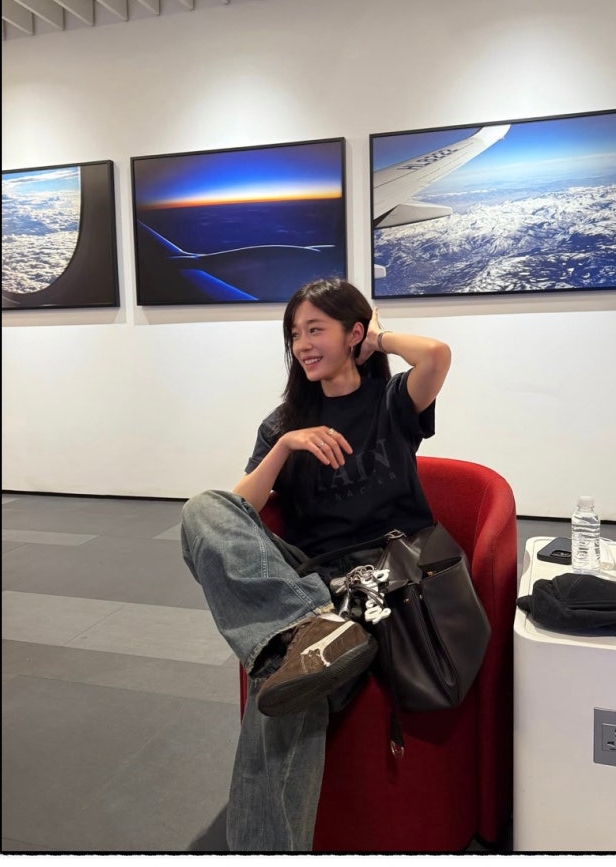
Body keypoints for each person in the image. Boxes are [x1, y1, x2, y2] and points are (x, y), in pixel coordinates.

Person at [181, 277, 451, 852]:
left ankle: (302, 641)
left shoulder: (391, 402)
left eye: (315, 330)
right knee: (201, 510)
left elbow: (436, 355)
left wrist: (379, 339)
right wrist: (286, 447)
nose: (302, 345)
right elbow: (238, 510)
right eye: (294, 334)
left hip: (383, 581)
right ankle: (309, 628)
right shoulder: (283, 423)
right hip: (311, 582)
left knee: (285, 682)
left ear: (352, 334)